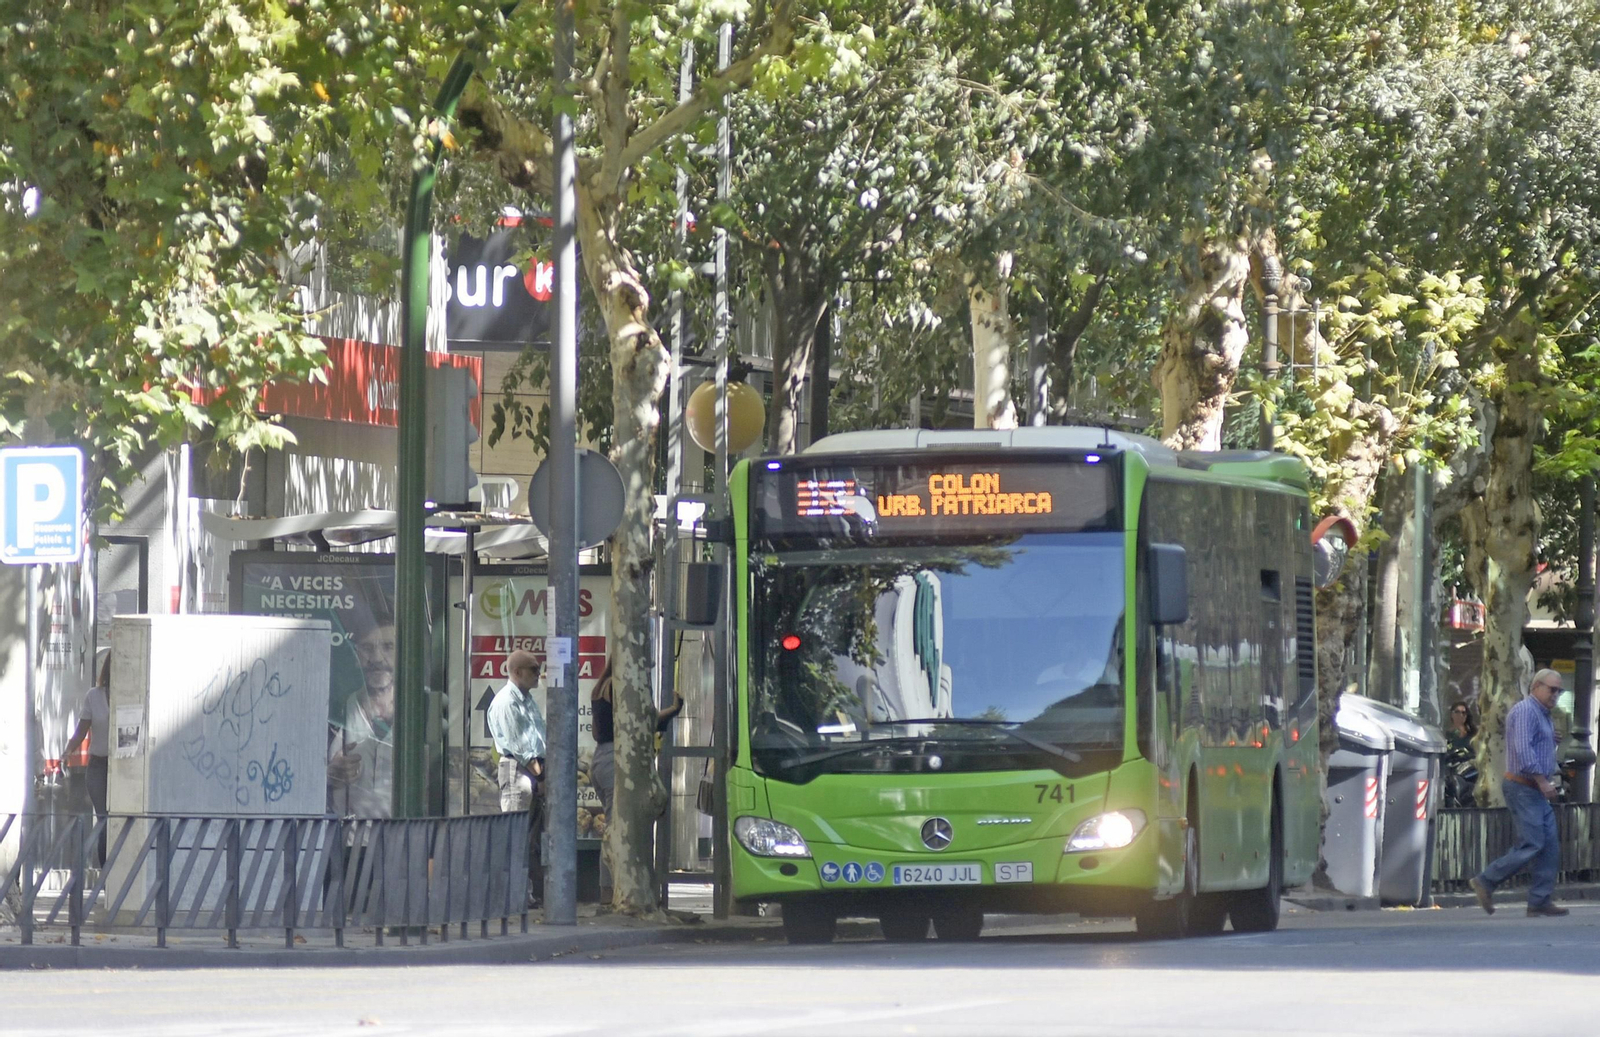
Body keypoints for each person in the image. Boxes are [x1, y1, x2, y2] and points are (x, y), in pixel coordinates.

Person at [1469, 669, 1570, 918]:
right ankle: (1486, 880)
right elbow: (1523, 751)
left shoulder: (1542, 714)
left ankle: (1539, 900)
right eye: (1551, 689)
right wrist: (1542, 782)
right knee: (1532, 842)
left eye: (1559, 691)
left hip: (1534, 788)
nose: (1555, 695)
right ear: (1536, 686)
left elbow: (1534, 745)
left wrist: (1551, 740)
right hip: (1524, 786)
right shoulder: (1526, 710)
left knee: (1549, 846)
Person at [589, 658, 684, 823]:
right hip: (615, 759)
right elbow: (642, 723)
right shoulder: (618, 686)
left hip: (602, 757)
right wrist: (673, 710)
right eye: (646, 670)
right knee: (622, 824)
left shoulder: (602, 686)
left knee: (617, 823)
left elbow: (598, 731)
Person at [488, 649, 547, 904]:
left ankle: (526, 893)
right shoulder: (507, 702)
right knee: (516, 835)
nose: (538, 674)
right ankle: (513, 894)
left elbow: (536, 737)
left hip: (532, 771)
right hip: (519, 770)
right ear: (516, 672)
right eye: (533, 669)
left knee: (530, 838)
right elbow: (521, 746)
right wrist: (541, 776)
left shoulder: (526, 699)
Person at [327, 619, 397, 818]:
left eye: (388, 646)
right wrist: (328, 776)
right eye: (367, 648)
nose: (376, 658)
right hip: (345, 843)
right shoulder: (334, 713)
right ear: (356, 654)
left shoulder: (426, 710)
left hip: (406, 843)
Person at [61, 651, 112, 866]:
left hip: (125, 768)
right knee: (104, 820)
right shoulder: (94, 695)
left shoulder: (133, 694)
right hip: (99, 764)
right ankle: (106, 874)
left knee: (122, 820)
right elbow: (81, 730)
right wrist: (68, 751)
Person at [1444, 700, 1479, 807]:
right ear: (1452, 714)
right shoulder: (1447, 735)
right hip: (1452, 771)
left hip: (1470, 772)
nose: (1461, 715)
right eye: (1457, 712)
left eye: (1463, 713)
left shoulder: (1473, 735)